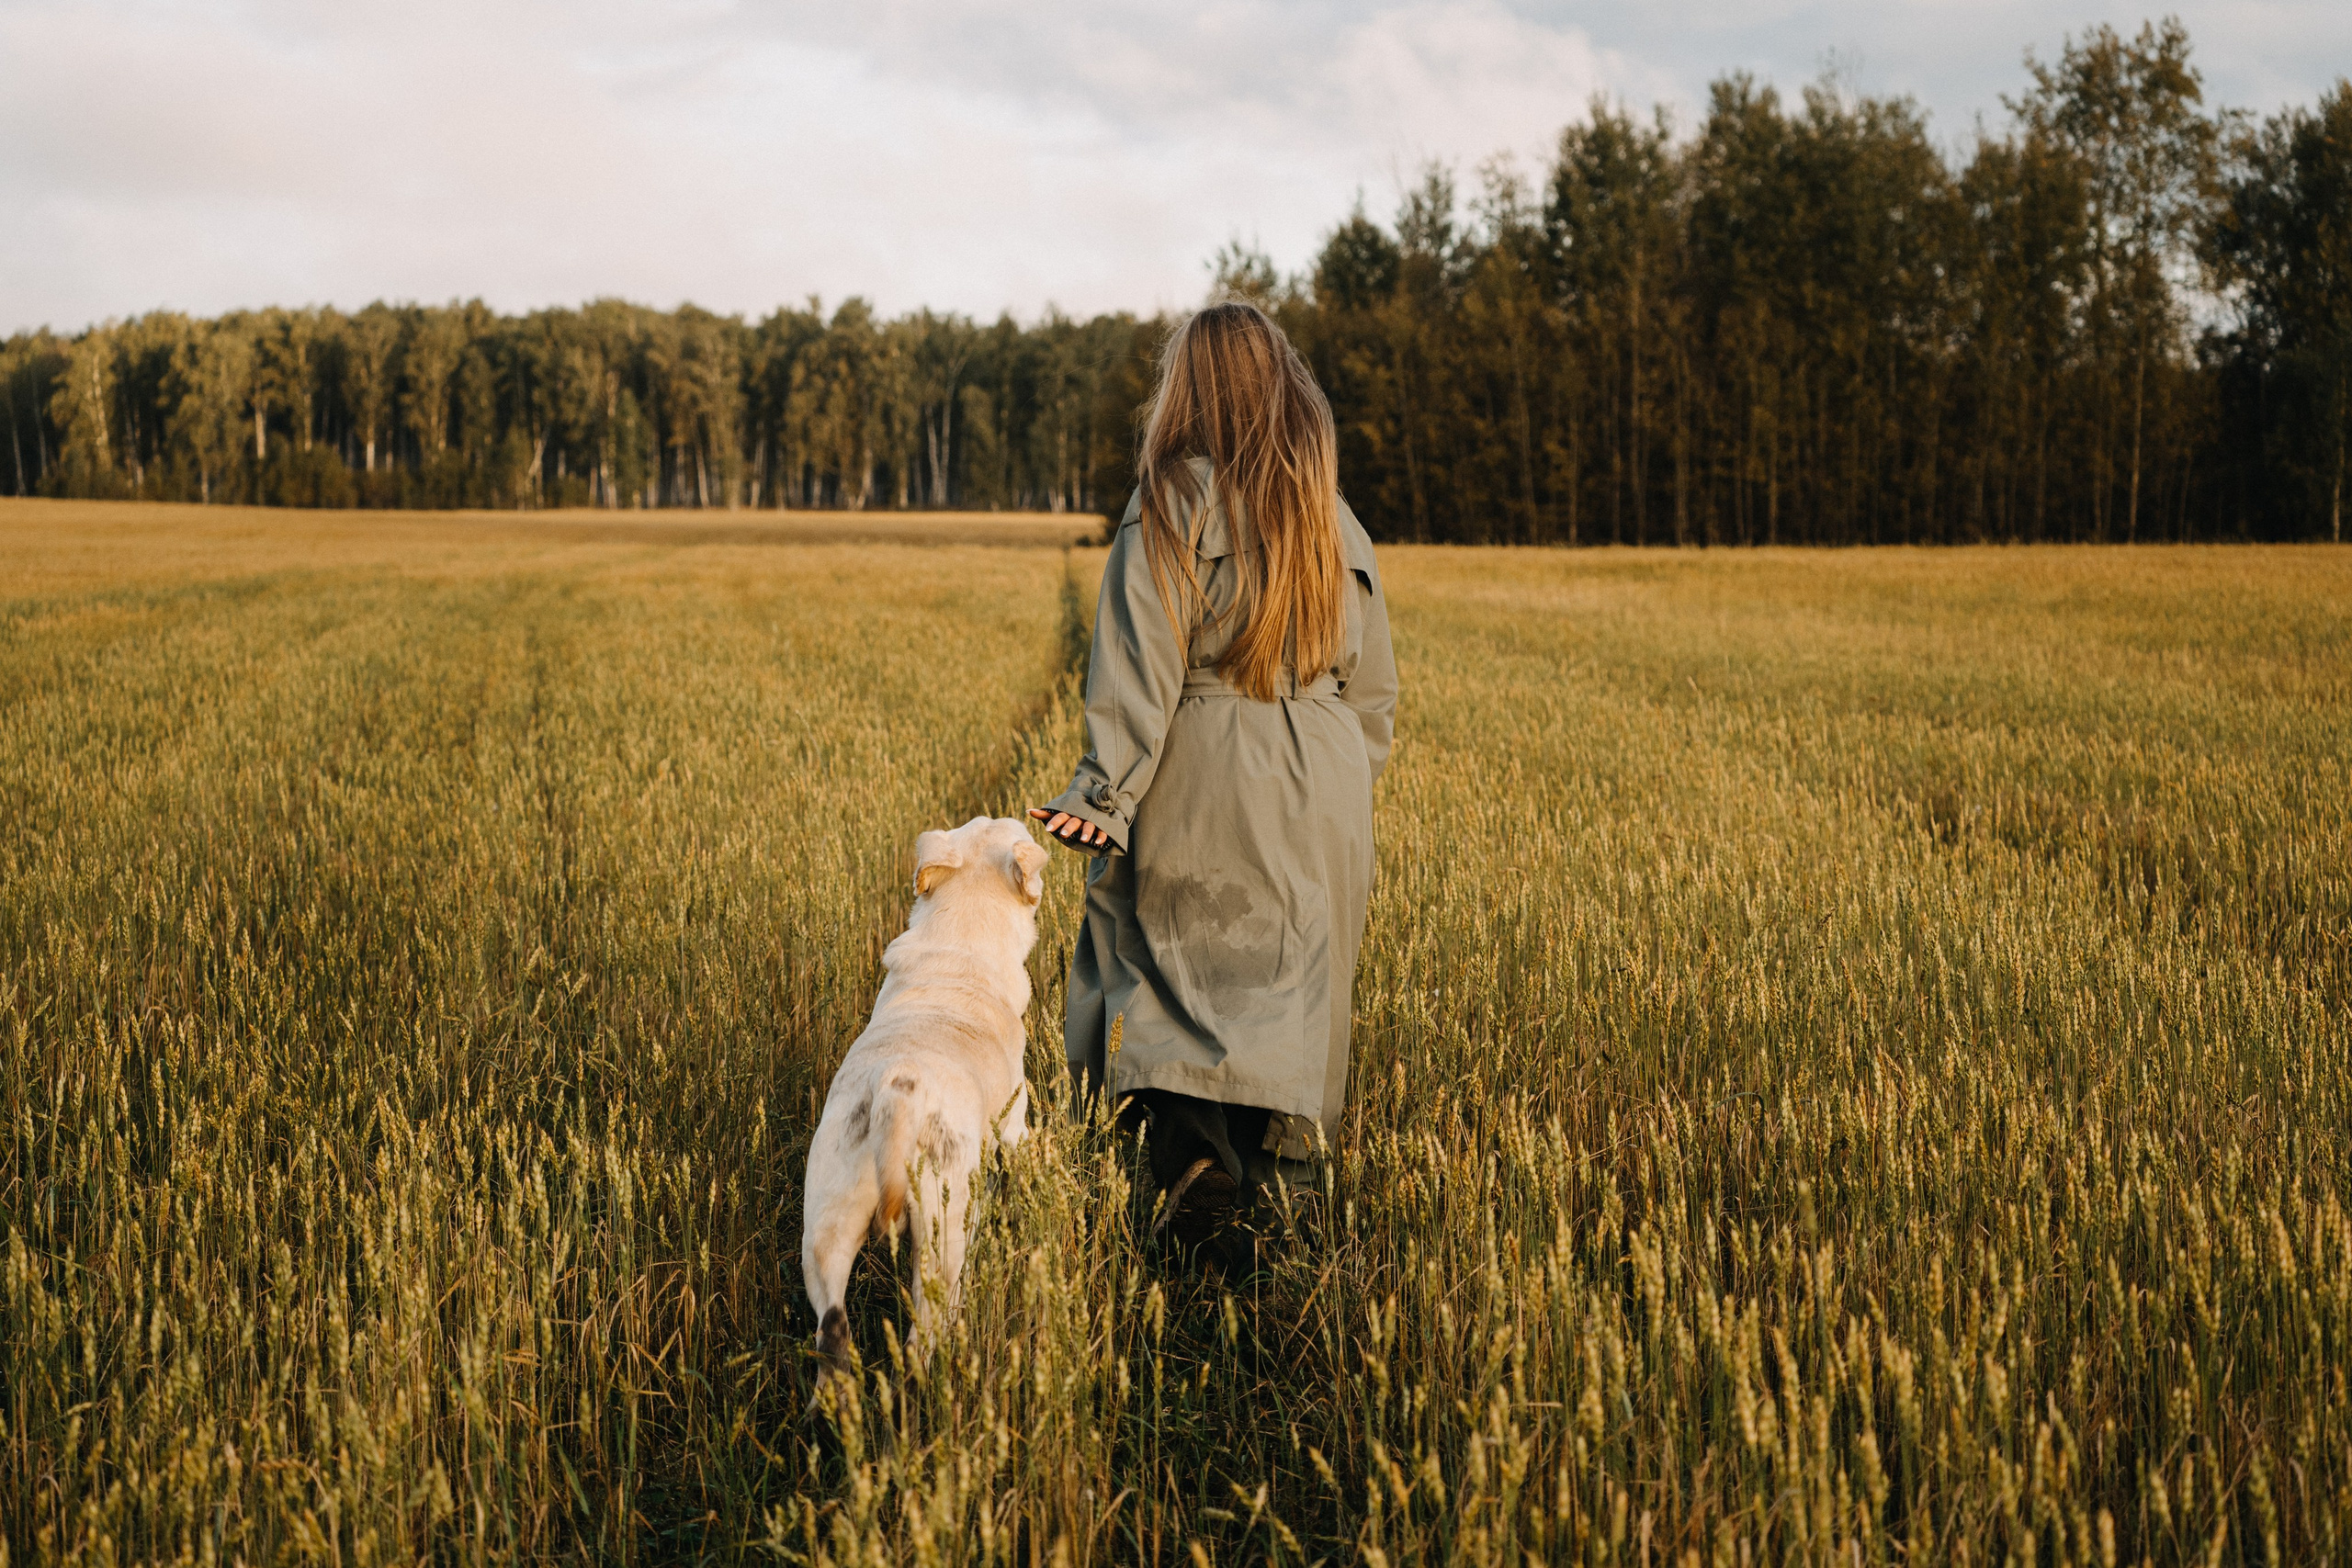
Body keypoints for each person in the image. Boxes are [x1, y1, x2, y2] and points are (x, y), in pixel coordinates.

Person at [1030, 299, 1396, 1263]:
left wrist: (1100, 798)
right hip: (1327, 785)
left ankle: (1193, 1174)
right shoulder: (1333, 513)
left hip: (1207, 765)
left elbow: (1139, 665)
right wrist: (1337, 787)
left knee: (1169, 973)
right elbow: (1377, 694)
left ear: (1186, 386)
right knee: (1295, 996)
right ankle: (1284, 1220)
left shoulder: (1172, 496)